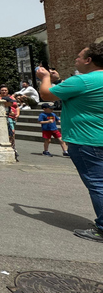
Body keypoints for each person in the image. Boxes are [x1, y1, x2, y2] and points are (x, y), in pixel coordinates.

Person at [36, 44, 103, 242]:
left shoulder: (82, 80)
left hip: (86, 138)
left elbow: (47, 94)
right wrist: (57, 80)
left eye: (79, 57)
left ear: (88, 60)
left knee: (97, 184)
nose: (76, 59)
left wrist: (45, 78)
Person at [0, 86, 20, 161]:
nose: (4, 91)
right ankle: (11, 148)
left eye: (5, 90)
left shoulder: (11, 99)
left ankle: (13, 148)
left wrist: (17, 114)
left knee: (12, 134)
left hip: (12, 118)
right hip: (6, 119)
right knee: (11, 133)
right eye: (2, 90)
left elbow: (17, 107)